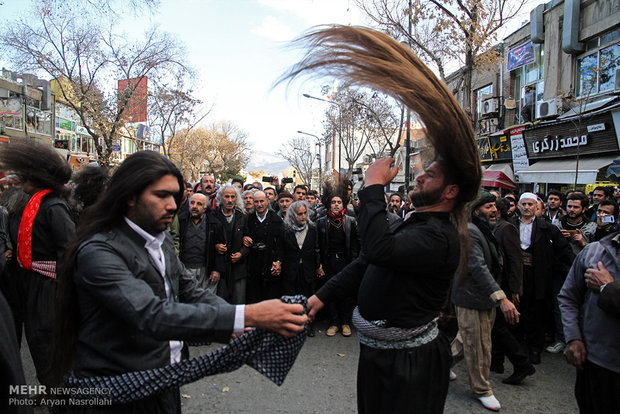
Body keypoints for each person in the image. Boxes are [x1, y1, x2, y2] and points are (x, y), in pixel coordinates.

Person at [51, 151, 307, 413]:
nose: (174, 205)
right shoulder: (99, 251)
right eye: (161, 195)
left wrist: (235, 326)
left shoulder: (159, 242)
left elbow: (191, 291)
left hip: (164, 385)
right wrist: (249, 314)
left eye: (174, 196)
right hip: (116, 393)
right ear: (129, 196)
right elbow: (152, 314)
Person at [0, 140, 75, 387]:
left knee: (46, 344)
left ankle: (59, 397)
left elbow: (69, 252)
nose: (23, 180)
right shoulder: (34, 205)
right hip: (30, 284)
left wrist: (60, 292)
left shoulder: (54, 207)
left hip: (47, 289)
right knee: (35, 343)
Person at [450, 192, 521, 411]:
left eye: (495, 206)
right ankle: (482, 389)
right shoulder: (470, 232)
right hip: (471, 298)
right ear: (476, 209)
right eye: (489, 206)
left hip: (483, 300)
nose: (494, 210)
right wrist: (501, 298)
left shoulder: (485, 230)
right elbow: (477, 267)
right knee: (479, 345)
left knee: (466, 340)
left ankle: (437, 364)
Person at [559, 231, 620, 414]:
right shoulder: (595, 251)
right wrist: (573, 338)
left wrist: (606, 288)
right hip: (593, 363)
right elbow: (568, 297)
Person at [514, 192, 574, 365]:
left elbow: (564, 252)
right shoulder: (510, 225)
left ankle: (534, 349)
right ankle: (517, 349)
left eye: (530, 204)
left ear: (536, 207)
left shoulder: (548, 228)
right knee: (518, 311)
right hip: (517, 275)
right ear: (519, 206)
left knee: (536, 313)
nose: (526, 207)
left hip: (538, 276)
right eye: (523, 204)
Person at [316, 179, 359, 337]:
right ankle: (334, 322)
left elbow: (356, 244)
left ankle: (345, 322)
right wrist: (319, 263)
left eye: (339, 202)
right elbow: (317, 246)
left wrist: (354, 263)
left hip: (346, 261)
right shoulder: (321, 222)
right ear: (329, 204)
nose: (335, 204)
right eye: (333, 202)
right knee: (330, 292)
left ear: (343, 204)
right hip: (328, 262)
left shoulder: (352, 222)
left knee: (346, 292)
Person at [278, 201, 321, 336]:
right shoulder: (285, 230)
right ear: (293, 215)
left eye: (305, 213)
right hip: (291, 270)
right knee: (292, 298)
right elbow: (281, 250)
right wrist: (278, 262)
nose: (303, 216)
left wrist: (318, 265)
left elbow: (317, 248)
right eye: (299, 214)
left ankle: (308, 325)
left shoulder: (313, 229)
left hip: (308, 270)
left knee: (308, 298)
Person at [174, 193, 225, 294]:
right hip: (185, 268)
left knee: (206, 302)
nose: (194, 207)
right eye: (192, 203)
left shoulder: (214, 224)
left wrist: (216, 269)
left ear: (205, 207)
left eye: (199, 204)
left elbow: (221, 249)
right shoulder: (181, 221)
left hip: (206, 270)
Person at [244, 191, 284, 303]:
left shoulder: (276, 220)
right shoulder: (248, 219)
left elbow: (281, 244)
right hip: (253, 263)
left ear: (267, 201)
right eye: (256, 201)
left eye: (262, 201)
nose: (259, 204)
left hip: (270, 262)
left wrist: (278, 261)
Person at [213, 184, 249, 304]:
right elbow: (207, 239)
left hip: (238, 268)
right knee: (220, 302)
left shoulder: (242, 217)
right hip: (220, 267)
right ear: (220, 198)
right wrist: (215, 246)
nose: (229, 200)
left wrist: (241, 253)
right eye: (226, 196)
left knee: (239, 302)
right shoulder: (213, 216)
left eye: (233, 197)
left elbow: (249, 241)